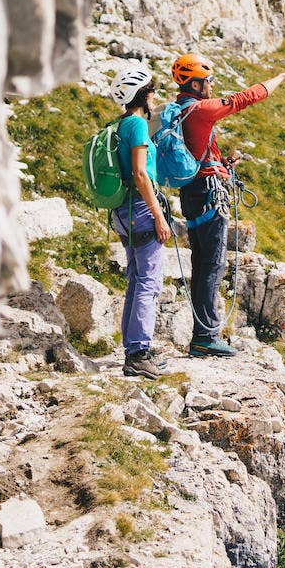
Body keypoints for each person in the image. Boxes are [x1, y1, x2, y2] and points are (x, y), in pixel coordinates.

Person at [170, 53, 285, 357]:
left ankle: (202, 334)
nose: (212, 86)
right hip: (207, 193)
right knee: (212, 266)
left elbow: (195, 152)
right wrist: (282, 77)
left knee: (202, 264)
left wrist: (222, 164)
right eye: (208, 81)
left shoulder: (179, 110)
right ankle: (205, 337)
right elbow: (246, 98)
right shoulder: (202, 109)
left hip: (192, 192)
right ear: (195, 83)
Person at [109, 66, 173, 380]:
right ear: (142, 96)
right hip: (140, 210)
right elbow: (139, 173)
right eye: (151, 92)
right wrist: (159, 216)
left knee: (136, 280)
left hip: (121, 212)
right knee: (148, 283)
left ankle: (135, 348)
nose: (154, 97)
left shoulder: (118, 124)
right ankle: (137, 354)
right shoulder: (136, 124)